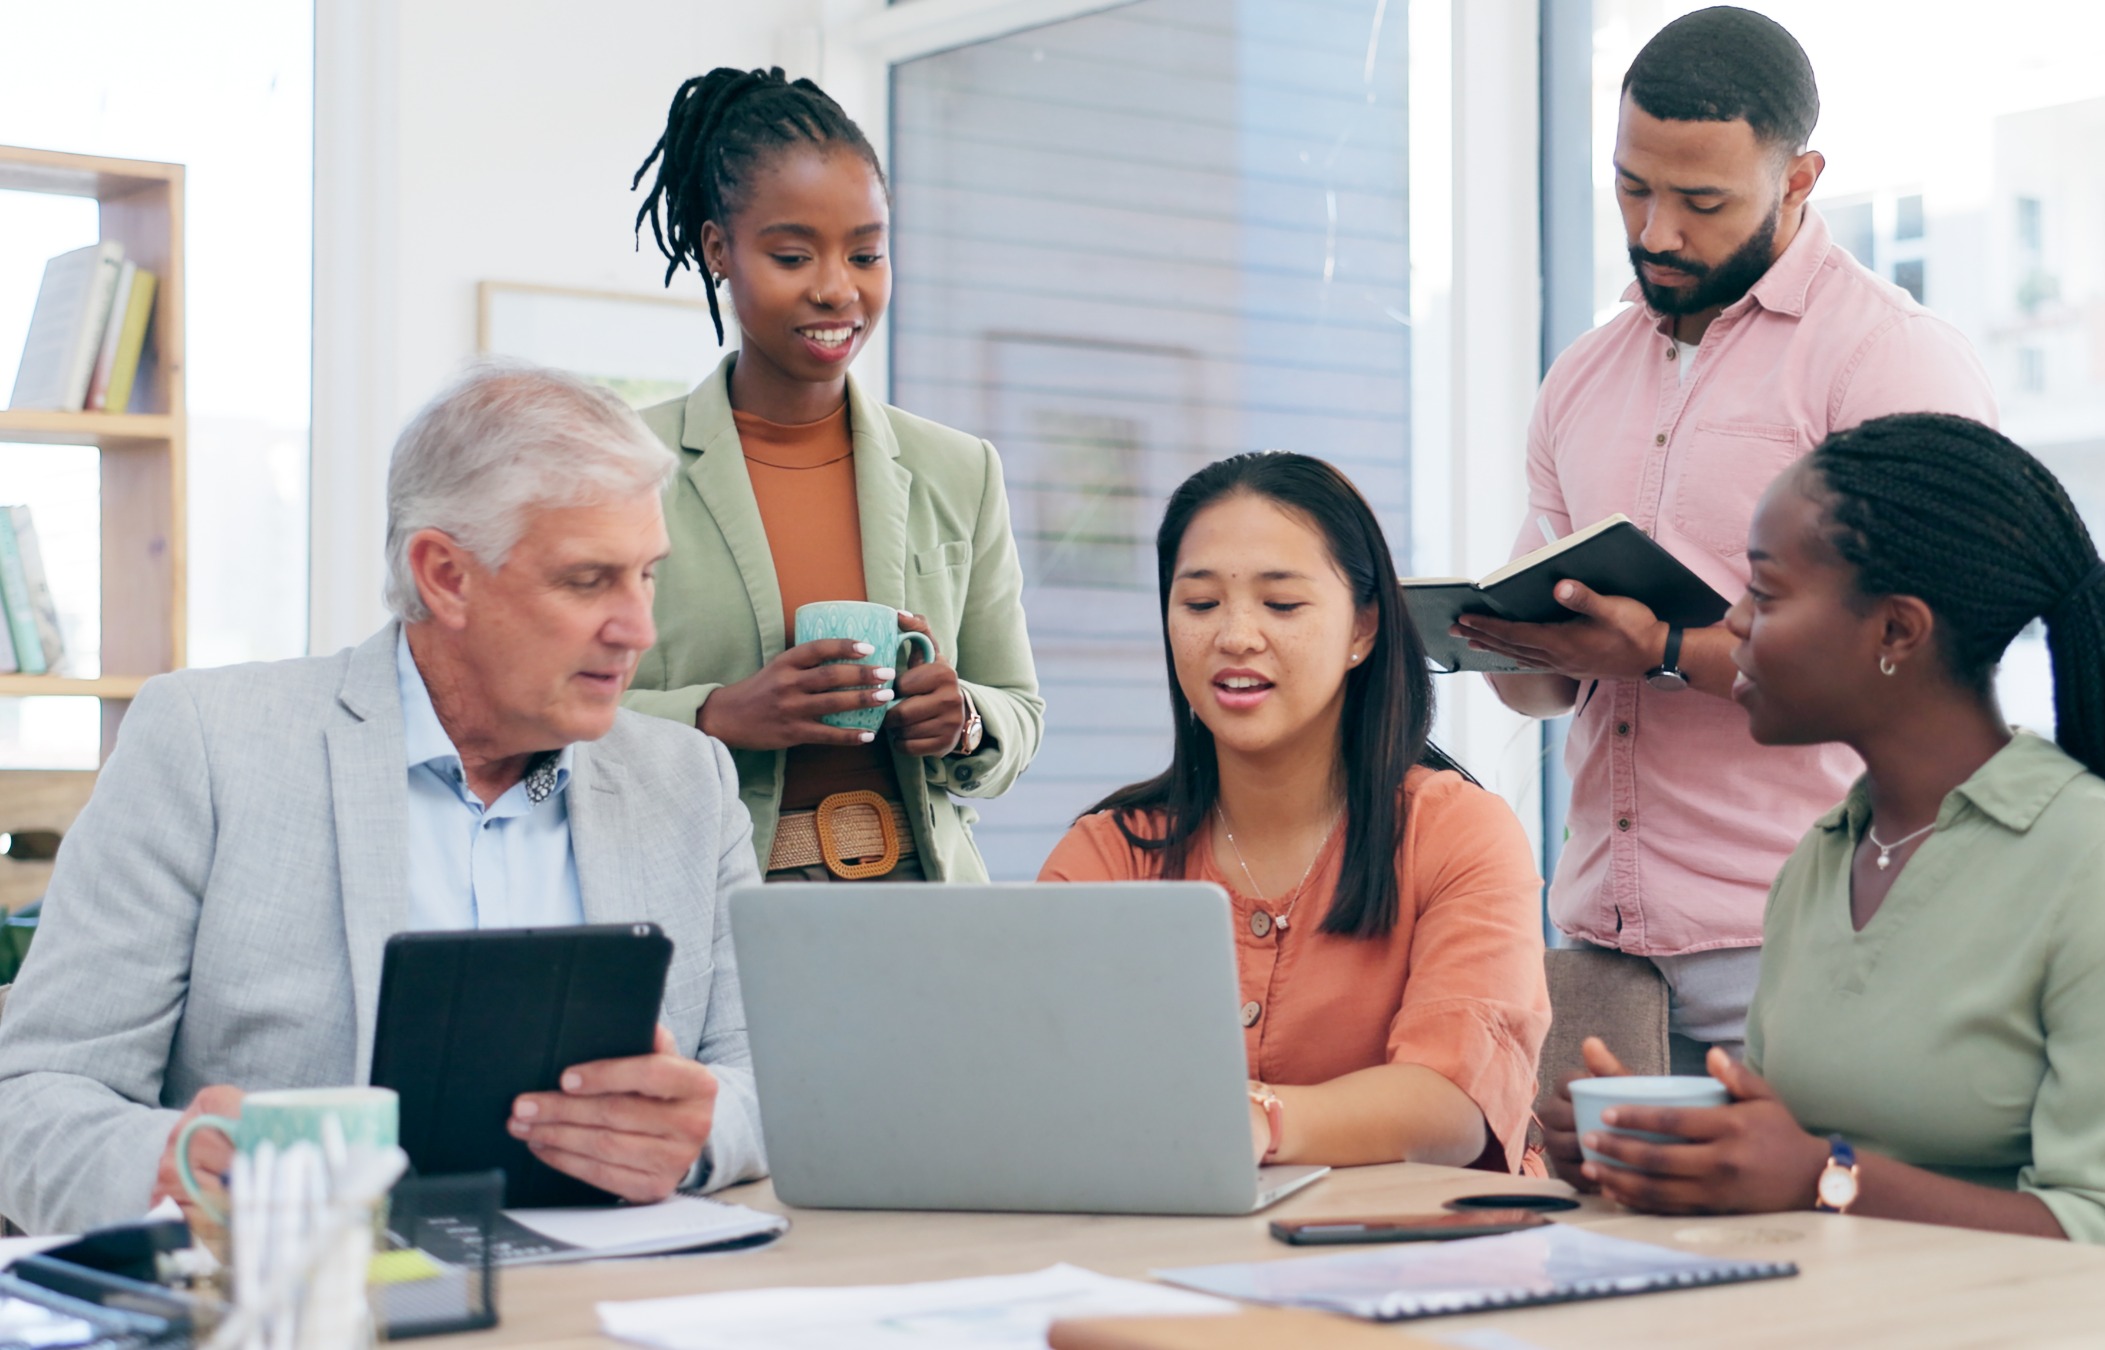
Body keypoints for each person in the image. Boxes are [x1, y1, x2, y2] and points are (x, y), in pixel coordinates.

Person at [0, 363, 767, 1236]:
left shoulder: (690, 781)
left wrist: (701, 1133)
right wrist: (176, 1162)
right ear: (444, 574)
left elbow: (772, 1079)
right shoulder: (208, 744)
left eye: (647, 575)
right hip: (313, 1303)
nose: (637, 628)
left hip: (619, 1303)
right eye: (588, 581)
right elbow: (33, 1100)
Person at [1540, 413, 2105, 1257]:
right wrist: (1660, 1155)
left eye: (1767, 594)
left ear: (1896, 631)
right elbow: (1786, 1153)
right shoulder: (1824, 857)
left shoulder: (2102, 861)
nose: (1735, 623)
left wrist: (1826, 1177)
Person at [1457, 7, 1997, 1061]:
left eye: (1700, 201)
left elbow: (1925, 673)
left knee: (1814, 1235)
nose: (1657, 231)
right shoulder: (1580, 376)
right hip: (1595, 955)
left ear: (1799, 180)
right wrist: (1510, 644)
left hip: (1817, 948)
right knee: (1583, 1234)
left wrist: (1661, 651)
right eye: (1631, 187)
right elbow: (1541, 693)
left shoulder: (1889, 364)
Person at [1040, 453, 1552, 1174]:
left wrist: (1258, 1122)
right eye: (1199, 604)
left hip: (1423, 1254)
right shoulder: (1108, 853)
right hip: (1179, 1252)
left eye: (1281, 605)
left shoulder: (1458, 832)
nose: (1236, 635)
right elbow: (1041, 1080)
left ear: (1363, 629)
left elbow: (1454, 1105)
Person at [623, 66, 1041, 883]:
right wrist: (717, 715)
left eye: (867, 254)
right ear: (719, 249)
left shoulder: (961, 471)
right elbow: (547, 718)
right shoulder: (626, 469)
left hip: (923, 914)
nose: (836, 289)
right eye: (791, 255)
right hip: (717, 907)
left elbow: (1019, 711)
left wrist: (962, 721)